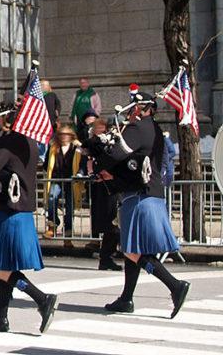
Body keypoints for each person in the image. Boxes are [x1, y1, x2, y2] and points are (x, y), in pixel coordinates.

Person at [96, 92, 190, 317]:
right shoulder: (155, 129)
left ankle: (175, 286)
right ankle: (126, 299)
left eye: (133, 106)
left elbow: (117, 155)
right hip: (152, 194)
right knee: (134, 249)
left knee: (132, 251)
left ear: (140, 108)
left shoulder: (137, 128)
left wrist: (99, 160)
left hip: (138, 197)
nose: (129, 110)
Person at [0, 119, 59, 334]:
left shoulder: (8, 142)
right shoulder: (30, 142)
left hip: (10, 213)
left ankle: (42, 299)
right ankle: (1, 316)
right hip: (22, 210)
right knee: (7, 266)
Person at [82, 118, 122, 270]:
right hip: (105, 188)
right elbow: (87, 146)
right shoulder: (97, 144)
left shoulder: (113, 143)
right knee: (111, 223)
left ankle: (107, 256)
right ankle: (106, 257)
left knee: (113, 224)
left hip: (113, 185)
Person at [44, 125, 82, 241]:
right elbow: (46, 163)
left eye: (67, 135)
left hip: (71, 180)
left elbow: (82, 162)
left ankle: (68, 228)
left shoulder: (77, 148)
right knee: (51, 198)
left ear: (71, 136)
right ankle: (53, 224)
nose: (64, 137)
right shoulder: (53, 147)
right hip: (56, 179)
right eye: (61, 134)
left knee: (70, 206)